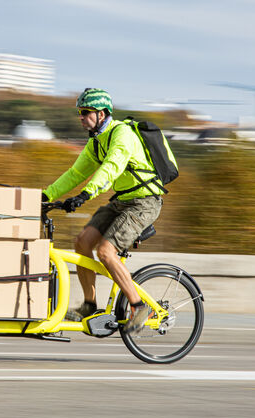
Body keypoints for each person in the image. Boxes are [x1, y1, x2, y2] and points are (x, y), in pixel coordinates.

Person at [41, 88, 166, 333]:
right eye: (79, 113)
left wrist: (86, 194)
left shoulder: (122, 134)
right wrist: (46, 195)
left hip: (145, 202)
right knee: (82, 242)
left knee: (106, 252)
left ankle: (139, 306)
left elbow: (112, 167)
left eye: (85, 112)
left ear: (102, 113)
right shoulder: (96, 142)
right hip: (122, 201)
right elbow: (75, 174)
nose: (81, 117)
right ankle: (90, 305)